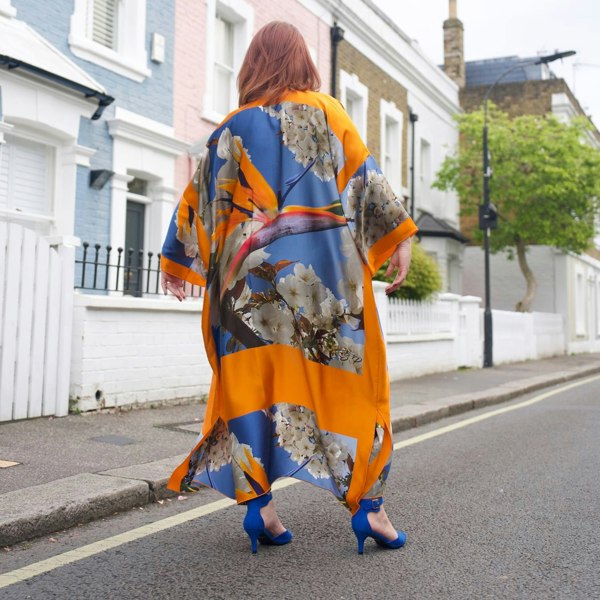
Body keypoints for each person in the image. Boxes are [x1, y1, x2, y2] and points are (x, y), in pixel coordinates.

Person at [161, 20, 418, 555]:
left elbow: (199, 200)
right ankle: (370, 510)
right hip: (321, 299)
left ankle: (261, 510)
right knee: (351, 388)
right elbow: (364, 184)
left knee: (250, 391)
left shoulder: (229, 128)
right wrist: (400, 238)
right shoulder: (327, 115)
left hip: (245, 303)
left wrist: (178, 263)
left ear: (252, 66)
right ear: (305, 63)